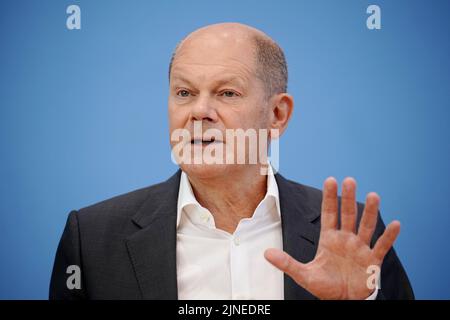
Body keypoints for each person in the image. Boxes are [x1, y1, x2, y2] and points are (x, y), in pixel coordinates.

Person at [50, 22, 414, 300]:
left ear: (277, 114)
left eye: (227, 93)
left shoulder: (351, 237)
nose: (200, 111)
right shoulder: (93, 239)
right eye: (184, 93)